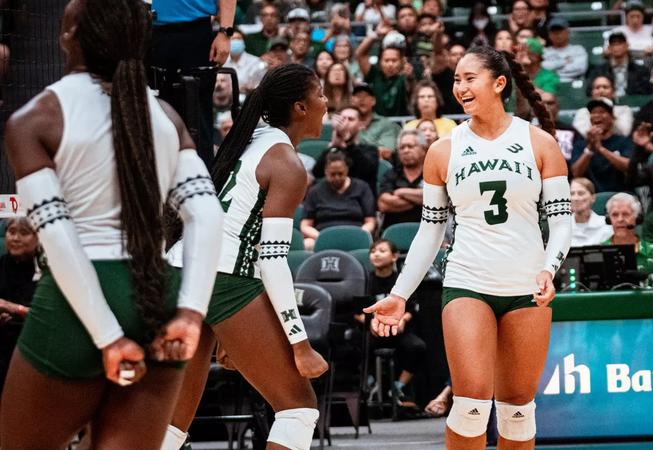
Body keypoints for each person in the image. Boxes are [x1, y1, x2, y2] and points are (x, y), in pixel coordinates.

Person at [1, 1, 224, 449]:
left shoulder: (35, 119)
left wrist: (109, 337)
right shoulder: (167, 117)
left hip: (76, 304)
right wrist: (190, 313)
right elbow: (207, 214)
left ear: (69, 36)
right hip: (158, 297)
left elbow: (57, 234)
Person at [365, 45, 572, 449]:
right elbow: (430, 231)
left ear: (499, 83)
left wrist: (550, 268)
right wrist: (399, 294)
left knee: (518, 409)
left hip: (527, 286)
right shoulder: (443, 149)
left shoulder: (540, 143)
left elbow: (563, 223)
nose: (459, 87)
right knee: (471, 403)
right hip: (467, 281)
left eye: (469, 78)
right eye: (456, 80)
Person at [160, 64, 330, 450]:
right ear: (300, 108)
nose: (326, 103)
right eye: (320, 94)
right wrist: (299, 344)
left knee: (172, 421)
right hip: (223, 278)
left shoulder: (250, 138)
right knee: (298, 407)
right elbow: (272, 260)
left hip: (179, 269)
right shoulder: (287, 164)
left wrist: (231, 331)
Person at [150, 0, 235, 166]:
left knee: (197, 117)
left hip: (195, 30)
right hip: (147, 28)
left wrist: (225, 32)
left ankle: (202, 177)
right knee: (153, 115)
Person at [356, 239, 427, 406]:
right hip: (373, 331)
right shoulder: (365, 280)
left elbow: (412, 309)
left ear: (394, 256)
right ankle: (369, 382)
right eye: (373, 251)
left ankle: (398, 386)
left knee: (418, 347)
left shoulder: (401, 281)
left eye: (382, 251)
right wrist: (370, 323)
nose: (376, 254)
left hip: (397, 330)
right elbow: (357, 312)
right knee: (354, 344)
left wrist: (402, 321)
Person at [302, 152, 377, 250]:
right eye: (333, 174)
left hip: (354, 235)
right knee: (307, 244)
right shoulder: (315, 191)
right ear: (326, 171)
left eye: (340, 174)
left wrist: (360, 234)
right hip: (323, 236)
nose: (337, 178)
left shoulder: (362, 188)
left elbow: (370, 221)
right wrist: (321, 236)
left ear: (347, 170)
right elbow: (305, 225)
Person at [0, 218, 38, 400]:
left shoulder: (46, 271)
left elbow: (49, 316)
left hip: (33, 344)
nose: (15, 238)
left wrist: (14, 309)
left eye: (24, 233)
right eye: (11, 232)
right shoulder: (1, 264)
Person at [603, 193, 653, 286]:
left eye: (626, 214)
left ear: (637, 218)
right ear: (608, 219)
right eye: (615, 215)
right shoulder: (598, 252)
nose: (620, 219)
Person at [570, 98, 634, 193]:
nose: (597, 115)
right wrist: (590, 149)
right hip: (591, 196)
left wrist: (601, 149)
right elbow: (576, 173)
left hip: (620, 194)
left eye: (602, 112)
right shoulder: (581, 144)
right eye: (593, 113)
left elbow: (629, 167)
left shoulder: (623, 141)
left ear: (612, 118)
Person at [314, 105, 380, 194]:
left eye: (350, 119)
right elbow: (317, 173)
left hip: (360, 199)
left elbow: (366, 171)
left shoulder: (370, 150)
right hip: (331, 199)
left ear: (361, 125)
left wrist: (347, 144)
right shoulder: (334, 149)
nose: (345, 123)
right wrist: (333, 146)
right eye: (342, 119)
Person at [356, 23, 415, 117]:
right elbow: (360, 54)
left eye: (394, 60)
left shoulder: (406, 76)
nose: (390, 64)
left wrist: (410, 78)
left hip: (400, 123)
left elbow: (411, 90)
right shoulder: (374, 74)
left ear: (401, 61)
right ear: (380, 62)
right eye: (386, 60)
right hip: (377, 123)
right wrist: (376, 34)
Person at [378, 130, 426, 230]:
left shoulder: (431, 173)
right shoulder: (391, 174)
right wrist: (420, 199)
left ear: (423, 149)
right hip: (393, 232)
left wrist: (401, 192)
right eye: (402, 147)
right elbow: (383, 204)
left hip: (426, 231)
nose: (406, 151)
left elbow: (438, 198)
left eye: (410, 146)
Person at [587, 32, 652, 97]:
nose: (616, 47)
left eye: (620, 43)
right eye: (613, 44)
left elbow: (646, 92)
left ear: (627, 46)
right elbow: (589, 91)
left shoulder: (641, 70)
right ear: (609, 48)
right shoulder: (599, 71)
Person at [352, 83, 402, 160]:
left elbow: (386, 153)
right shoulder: (346, 123)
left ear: (373, 101)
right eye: (358, 96)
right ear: (352, 101)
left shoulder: (386, 124)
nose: (362, 99)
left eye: (365, 96)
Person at [541, 17, 588, 83]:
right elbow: (541, 69)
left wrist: (553, 69)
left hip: (573, 84)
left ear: (568, 32)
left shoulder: (578, 50)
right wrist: (564, 62)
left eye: (560, 31)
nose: (557, 34)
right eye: (553, 31)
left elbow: (580, 69)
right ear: (549, 34)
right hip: (548, 84)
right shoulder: (543, 51)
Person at [570, 178, 613, 247]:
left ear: (593, 198)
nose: (575, 198)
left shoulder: (607, 225)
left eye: (581, 193)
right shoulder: (560, 227)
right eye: (572, 194)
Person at [540, 91, 582, 162]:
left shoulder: (571, 130)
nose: (546, 107)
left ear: (558, 107)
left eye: (550, 103)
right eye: (543, 103)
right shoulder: (531, 131)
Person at [224, 29, 267, 94]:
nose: (236, 41)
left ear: (243, 42)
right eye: (233, 39)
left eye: (238, 39)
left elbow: (260, 86)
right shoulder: (223, 62)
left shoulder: (256, 62)